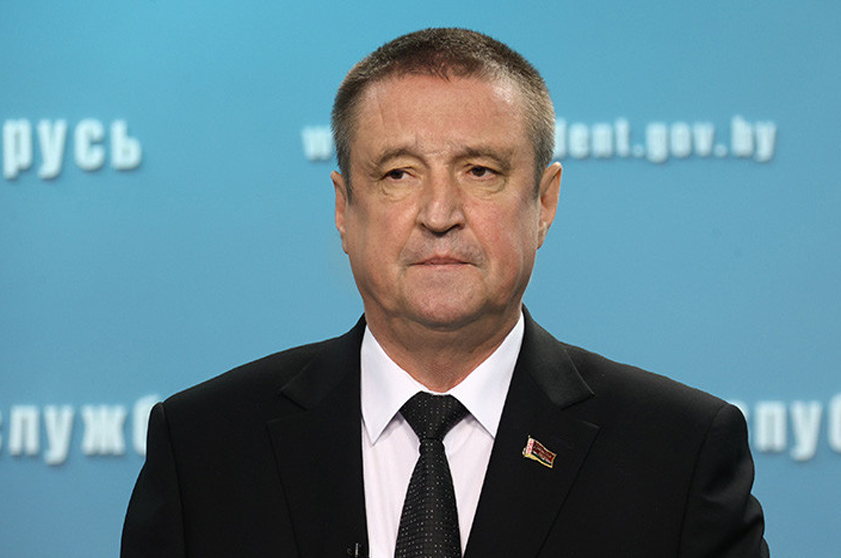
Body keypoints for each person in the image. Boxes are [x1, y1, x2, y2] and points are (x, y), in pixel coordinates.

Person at [121, 28, 769, 558]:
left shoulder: (677, 453)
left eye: (479, 171)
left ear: (544, 204)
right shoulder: (204, 446)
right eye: (398, 173)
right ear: (344, 209)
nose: (439, 214)